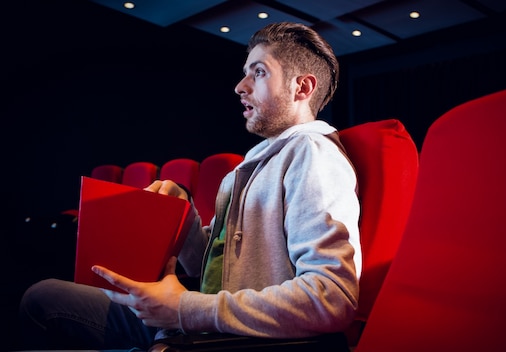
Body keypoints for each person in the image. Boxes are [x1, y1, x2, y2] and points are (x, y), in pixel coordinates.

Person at [19, 21, 361, 350]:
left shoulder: (313, 155)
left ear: (302, 88)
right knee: (42, 296)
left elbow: (330, 298)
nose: (240, 86)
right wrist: (182, 211)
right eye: (246, 72)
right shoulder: (255, 163)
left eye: (259, 72)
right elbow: (206, 268)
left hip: (226, 339)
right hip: (195, 322)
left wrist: (184, 308)